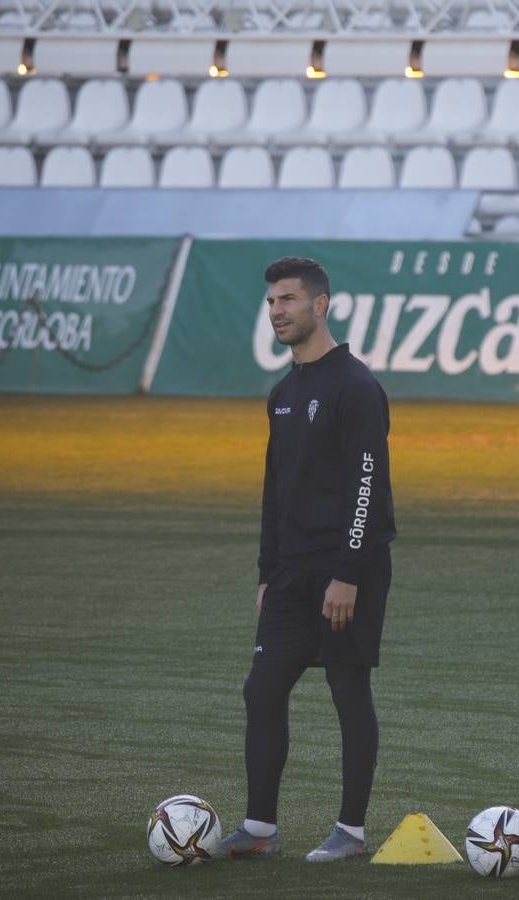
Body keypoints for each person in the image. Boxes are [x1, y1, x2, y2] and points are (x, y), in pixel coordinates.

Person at [218, 257, 396, 863]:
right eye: (271, 302)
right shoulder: (284, 393)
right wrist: (267, 573)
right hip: (291, 574)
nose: (277, 312)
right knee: (262, 690)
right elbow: (275, 488)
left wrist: (346, 574)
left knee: (349, 692)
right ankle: (259, 828)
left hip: (347, 569)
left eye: (288, 300)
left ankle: (350, 832)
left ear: (320, 305)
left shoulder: (356, 387)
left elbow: (368, 487)